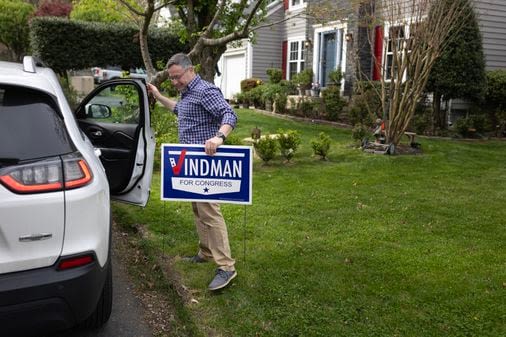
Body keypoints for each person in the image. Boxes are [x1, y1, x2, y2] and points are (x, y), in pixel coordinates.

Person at [147, 53, 237, 291]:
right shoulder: (187, 94)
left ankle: (226, 267)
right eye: (172, 79)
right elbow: (180, 110)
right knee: (198, 208)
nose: (174, 82)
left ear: (190, 70)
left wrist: (218, 138)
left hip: (206, 163)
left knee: (209, 211)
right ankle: (206, 252)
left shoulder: (206, 91)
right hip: (191, 165)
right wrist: (157, 95)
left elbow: (229, 115)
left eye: (177, 78)